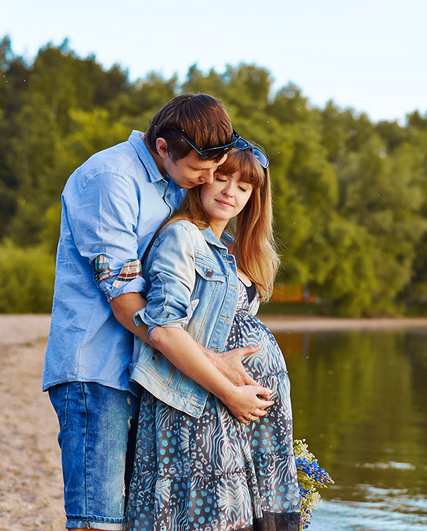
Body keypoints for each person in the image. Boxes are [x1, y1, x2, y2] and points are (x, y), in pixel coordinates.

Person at [42, 94, 273, 531]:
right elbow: (124, 300)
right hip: (98, 371)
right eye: (202, 170)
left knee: (138, 519)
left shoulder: (172, 179)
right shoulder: (111, 179)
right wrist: (212, 364)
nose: (210, 179)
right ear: (163, 147)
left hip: (147, 373)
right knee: (98, 520)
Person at [124, 145, 301, 530]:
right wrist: (230, 393)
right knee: (205, 516)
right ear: (203, 177)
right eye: (222, 177)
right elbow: (164, 330)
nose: (230, 191)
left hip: (231, 411)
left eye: (244, 186)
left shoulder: (232, 250)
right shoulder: (182, 236)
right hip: (197, 403)